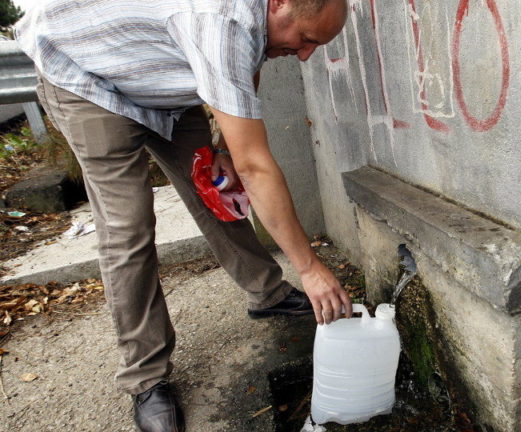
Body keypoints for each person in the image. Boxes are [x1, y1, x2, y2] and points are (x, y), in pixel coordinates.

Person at [14, 0, 352, 430]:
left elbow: (243, 75)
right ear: (280, 3)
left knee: (216, 185)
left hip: (166, 82)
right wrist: (310, 268)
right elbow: (257, 166)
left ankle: (265, 293)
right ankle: (146, 378)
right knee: (128, 228)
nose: (305, 55)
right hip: (90, 81)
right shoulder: (219, 22)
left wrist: (225, 149)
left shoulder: (253, 27)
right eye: (306, 40)